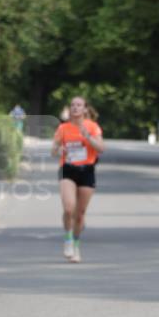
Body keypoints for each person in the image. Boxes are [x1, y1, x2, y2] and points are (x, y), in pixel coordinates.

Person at [51, 96, 104, 263]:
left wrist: (88, 137)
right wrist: (58, 150)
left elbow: (101, 148)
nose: (75, 108)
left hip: (87, 171)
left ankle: (76, 245)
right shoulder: (63, 128)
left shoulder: (92, 127)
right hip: (67, 169)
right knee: (68, 209)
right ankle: (67, 239)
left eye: (79, 105)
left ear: (85, 109)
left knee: (80, 214)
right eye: (72, 105)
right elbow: (53, 149)